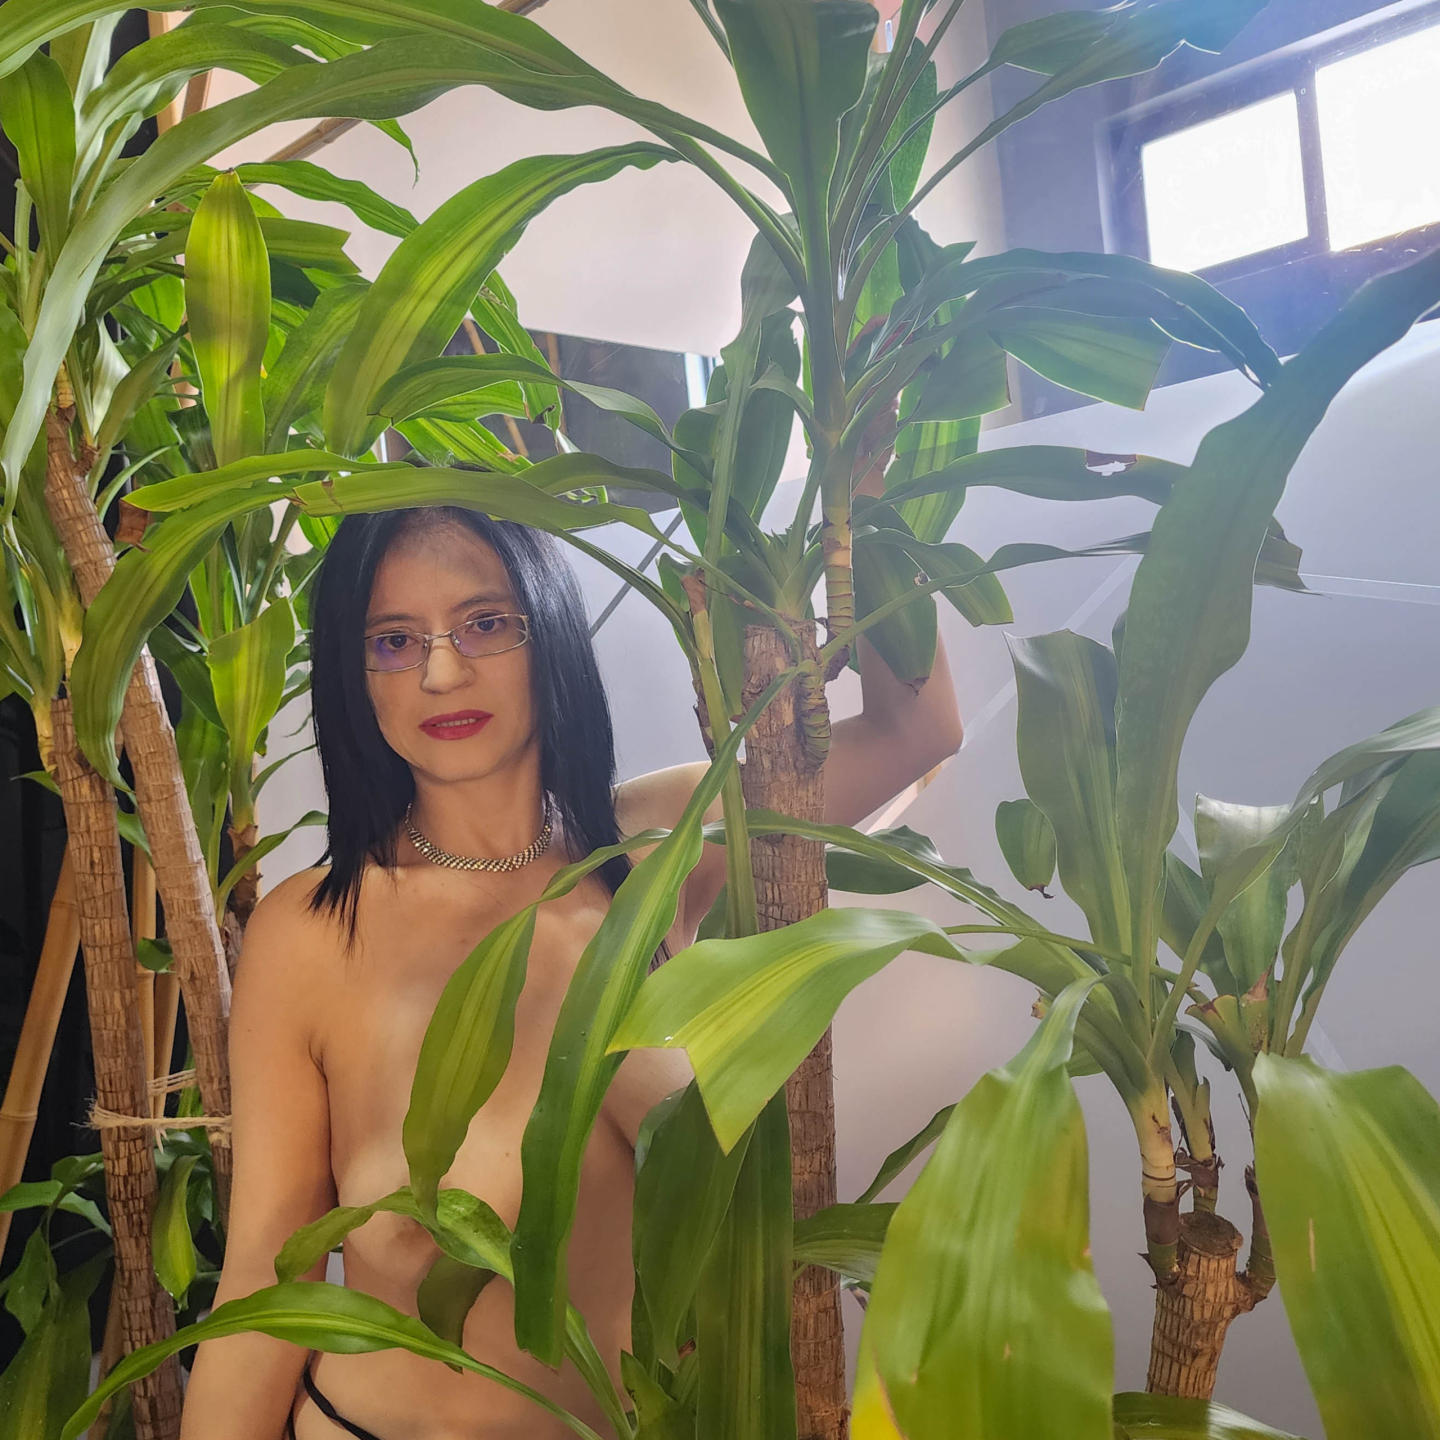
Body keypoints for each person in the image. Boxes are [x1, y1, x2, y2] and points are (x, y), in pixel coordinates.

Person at [179, 502, 964, 1439]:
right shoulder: (311, 931)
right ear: (356, 676)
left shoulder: (653, 848)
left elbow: (917, 731)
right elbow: (267, 1277)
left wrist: (855, 498)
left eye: (484, 623)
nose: (440, 672)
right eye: (393, 640)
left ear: (548, 625)